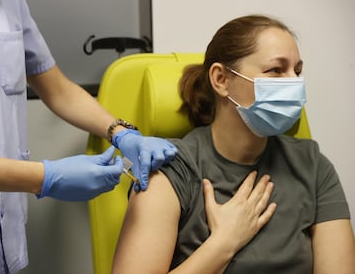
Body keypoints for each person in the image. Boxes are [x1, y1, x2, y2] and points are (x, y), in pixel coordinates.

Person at [0, 0, 177, 273]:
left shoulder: (8, 3)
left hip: (0, 251)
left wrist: (122, 133)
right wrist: (45, 177)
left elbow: (57, 90)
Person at [112, 14, 355, 273]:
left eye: (297, 71)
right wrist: (223, 243)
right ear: (221, 80)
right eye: (276, 70)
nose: (293, 83)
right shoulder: (171, 169)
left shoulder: (313, 166)